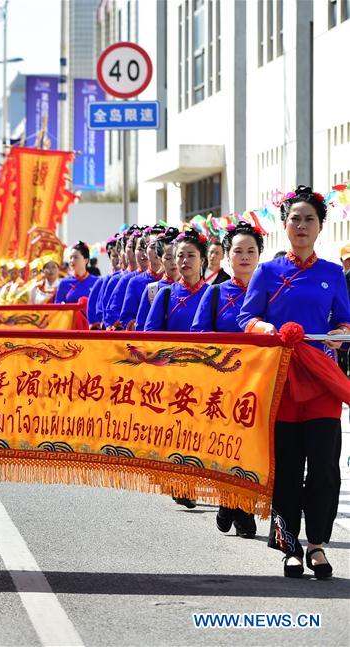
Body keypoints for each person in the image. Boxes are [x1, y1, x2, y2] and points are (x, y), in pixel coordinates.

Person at [237, 186, 350, 579]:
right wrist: (268, 327)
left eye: (309, 220)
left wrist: (339, 332)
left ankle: (317, 543)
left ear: (321, 227)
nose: (301, 226)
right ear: (284, 225)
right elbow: (245, 318)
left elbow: (345, 321)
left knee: (324, 467)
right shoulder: (268, 272)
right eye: (295, 219)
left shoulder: (333, 274)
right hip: (280, 381)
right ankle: (289, 545)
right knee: (286, 467)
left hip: (320, 382)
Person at [191, 221, 265, 539]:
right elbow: (198, 333)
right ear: (227, 257)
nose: (245, 256)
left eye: (251, 251)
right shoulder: (216, 292)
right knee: (228, 447)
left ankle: (244, 505)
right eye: (238, 251)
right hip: (224, 383)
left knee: (254, 447)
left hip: (260, 383)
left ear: (259, 255)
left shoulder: (270, 292)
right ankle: (227, 500)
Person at [144, 228, 210, 509]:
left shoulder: (214, 293)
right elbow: (149, 334)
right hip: (173, 374)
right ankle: (183, 482)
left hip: (206, 374)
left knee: (202, 432)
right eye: (180, 256)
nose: (184, 261)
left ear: (203, 260)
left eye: (191, 256)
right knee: (179, 430)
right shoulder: (166, 294)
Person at [135, 227, 180, 331]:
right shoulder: (152, 290)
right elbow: (141, 328)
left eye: (177, 256)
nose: (173, 262)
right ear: (160, 259)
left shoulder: (203, 290)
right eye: (168, 258)